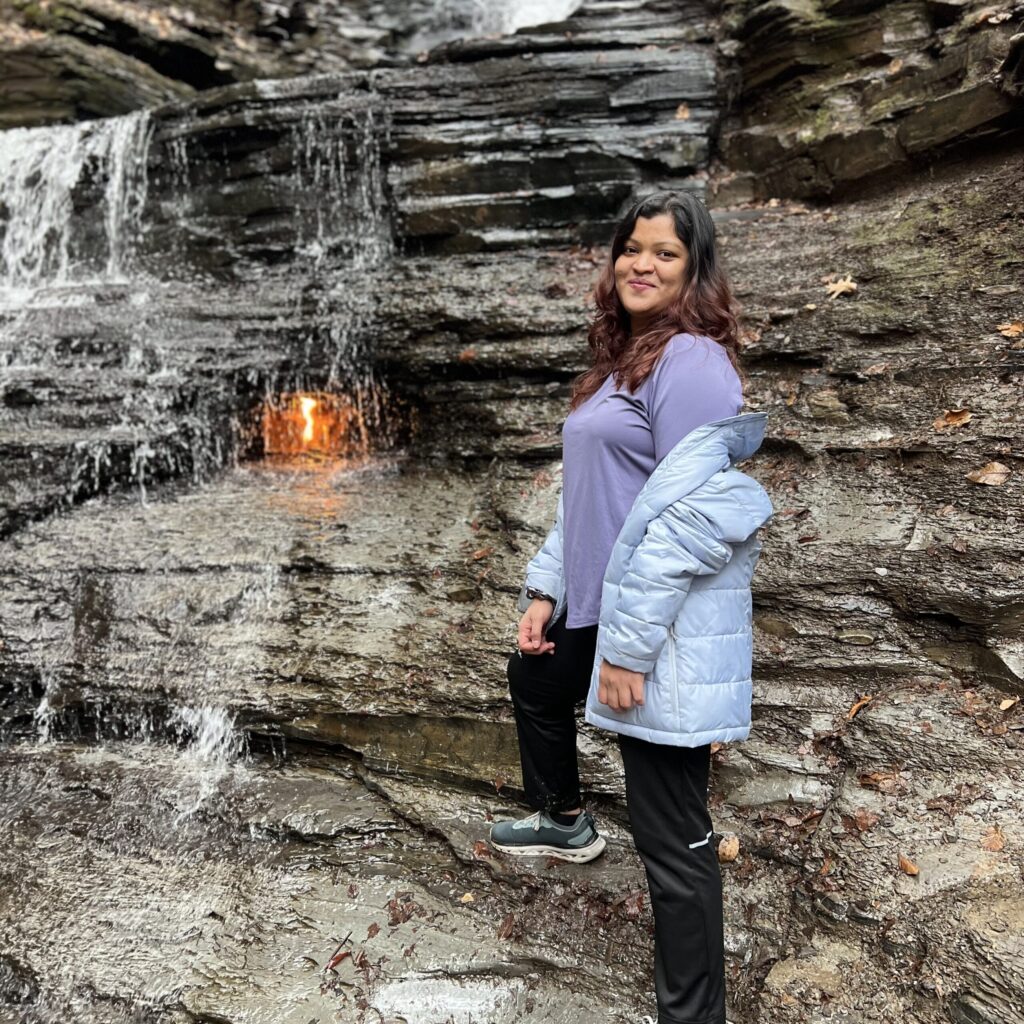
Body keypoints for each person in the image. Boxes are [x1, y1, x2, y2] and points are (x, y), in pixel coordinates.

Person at [488, 189, 774, 1024]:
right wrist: (549, 588)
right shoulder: (626, 358)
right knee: (535, 678)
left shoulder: (693, 364)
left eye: (665, 254)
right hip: (598, 605)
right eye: (631, 249)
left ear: (695, 271)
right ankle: (564, 820)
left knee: (671, 835)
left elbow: (699, 519)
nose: (641, 265)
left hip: (660, 630)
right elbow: (591, 498)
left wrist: (627, 652)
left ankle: (694, 1015)